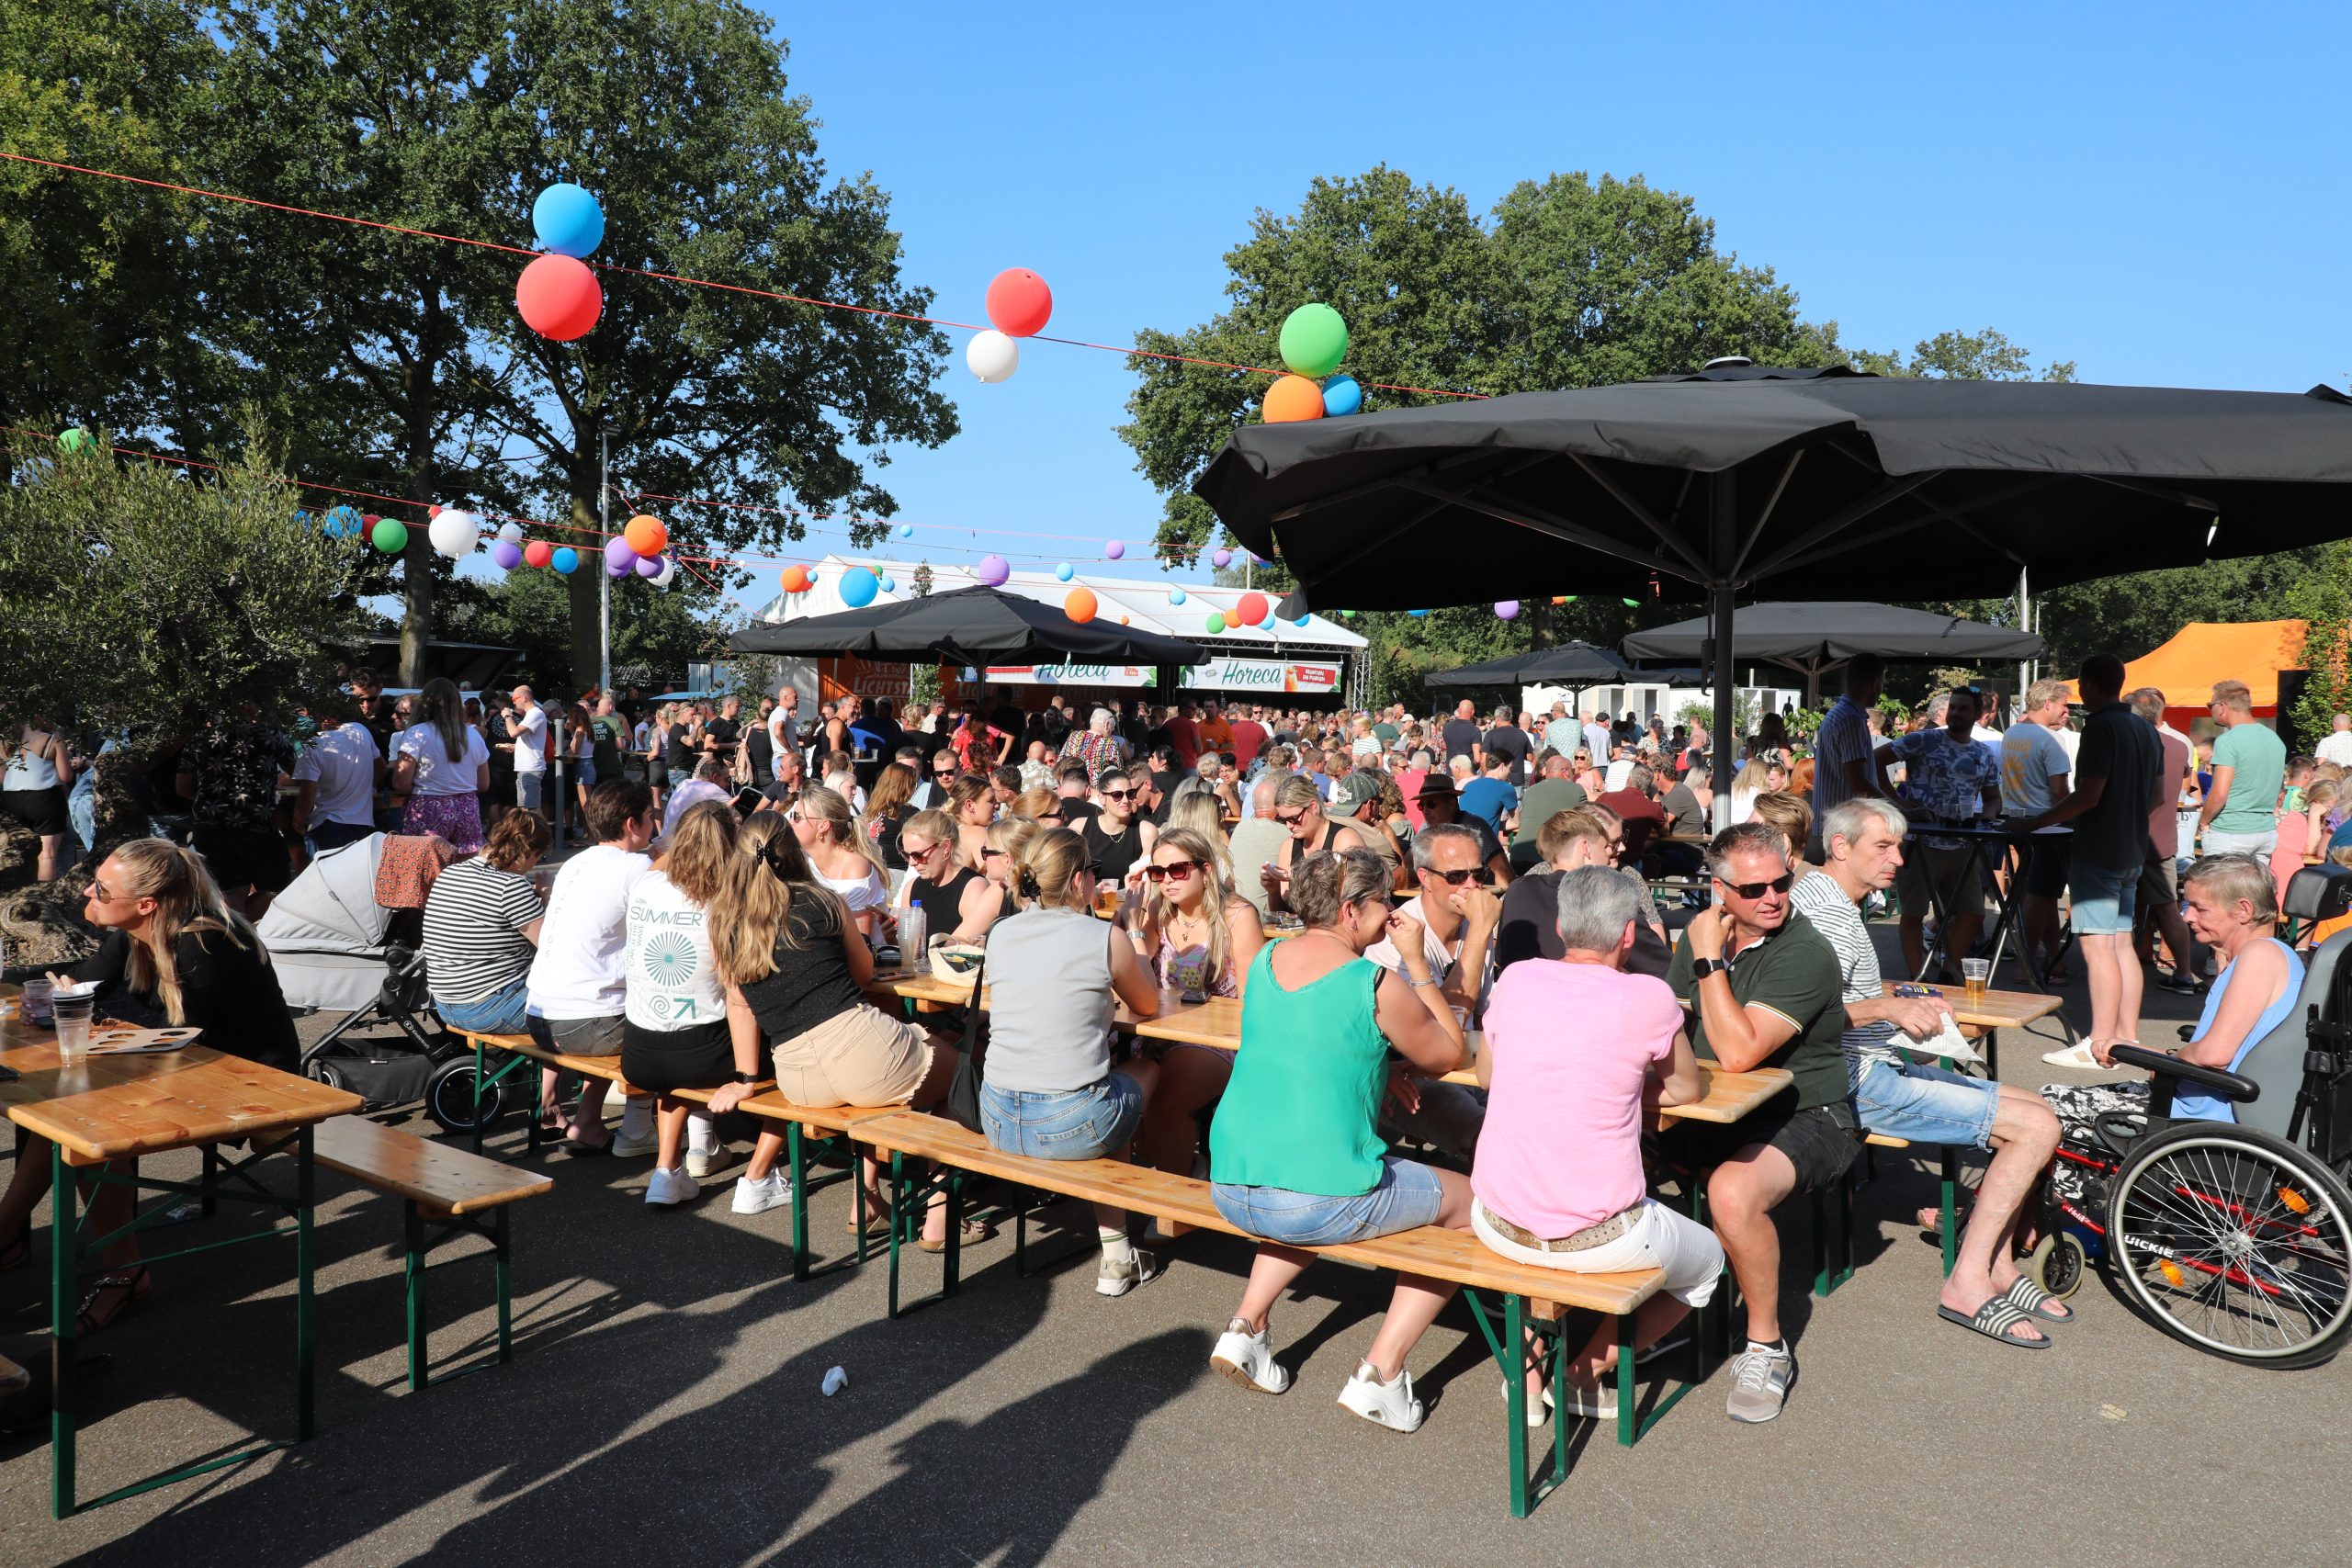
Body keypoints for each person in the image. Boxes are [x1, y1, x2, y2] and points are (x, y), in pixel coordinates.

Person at [1204, 849, 1473, 1432]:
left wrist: (1380, 1066)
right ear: (1351, 910)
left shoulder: (1267, 957)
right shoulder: (1372, 982)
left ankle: (1247, 1327)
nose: (1393, 911)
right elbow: (1450, 1053)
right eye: (1384, 901)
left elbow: (1307, 1044)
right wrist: (1416, 964)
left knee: (1310, 1184)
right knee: (1472, 1203)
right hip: (1315, 1199)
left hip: (1230, 1183)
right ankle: (1382, 1372)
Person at [1793, 799, 2070, 1346]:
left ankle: (1997, 1265)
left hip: (1874, 1064)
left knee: (2041, 1110)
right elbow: (1798, 1016)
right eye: (1883, 846)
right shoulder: (1825, 915)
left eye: (1899, 847)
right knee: (2036, 1127)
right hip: (1852, 1081)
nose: (1898, 859)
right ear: (1840, 847)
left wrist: (1900, 1007)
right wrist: (1889, 1009)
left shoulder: (1835, 901)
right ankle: (1966, 1283)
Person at [0, 840, 299, 1329]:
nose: (87, 894)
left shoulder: (206, 942)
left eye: (101, 890)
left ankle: (101, 1267)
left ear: (146, 904)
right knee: (64, 1109)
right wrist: (67, 1000)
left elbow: (173, 1038)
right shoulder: (134, 935)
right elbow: (77, 984)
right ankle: (27, 1241)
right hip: (189, 1068)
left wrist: (88, 1012)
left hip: (254, 1085)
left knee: (87, 1121)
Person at [1474, 865, 1717, 1416]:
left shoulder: (1516, 980)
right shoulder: (1649, 996)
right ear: (1629, 934)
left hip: (1497, 1223)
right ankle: (1581, 1375)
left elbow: (1488, 1076)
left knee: (1537, 1215)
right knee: (1707, 1263)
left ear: (1561, 927)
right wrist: (1619, 1082)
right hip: (1598, 1239)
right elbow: (1685, 1088)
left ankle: (1527, 1375)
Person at [1662, 822, 1851, 1423]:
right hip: (1713, 1110)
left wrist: (1705, 960)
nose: (1772, 897)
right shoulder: (1706, 936)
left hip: (1807, 1113)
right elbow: (1668, 1020)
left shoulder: (1804, 951)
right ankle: (1615, 1313)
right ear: (1720, 890)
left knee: (1731, 1192)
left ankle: (1766, 1345)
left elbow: (1740, 1052)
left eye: (1781, 883)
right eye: (1753, 889)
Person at [711, 816, 962, 1236]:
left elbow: (739, 1005)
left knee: (871, 1098)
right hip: (862, 1049)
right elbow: (864, 976)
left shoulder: (724, 919)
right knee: (962, 1071)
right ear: (794, 852)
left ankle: (867, 1197)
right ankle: (940, 1212)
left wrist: (745, 1080)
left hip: (798, 1076)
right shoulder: (823, 901)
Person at [2043, 855, 2305, 1197]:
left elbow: (2214, 1055)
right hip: (2213, 1097)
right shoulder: (2277, 956)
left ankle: (2056, 1211)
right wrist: (2152, 1055)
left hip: (2206, 1114)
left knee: (2048, 1105)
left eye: (2199, 908)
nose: (2186, 916)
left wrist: (2158, 1058)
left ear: (2243, 910)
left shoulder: (2259, 956)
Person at [978, 829, 1166, 1292]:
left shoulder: (1001, 932)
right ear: (1080, 880)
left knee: (1104, 1091)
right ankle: (1123, 1247)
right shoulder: (1105, 937)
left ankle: (1118, 1255)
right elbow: (1147, 1005)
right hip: (1069, 1123)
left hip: (997, 1116)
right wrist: (1135, 930)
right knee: (1143, 1071)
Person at [2021, 654, 2160, 1056]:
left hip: (2099, 849)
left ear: (2088, 684)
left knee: (2098, 949)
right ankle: (2126, 1038)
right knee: (2121, 944)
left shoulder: (2100, 726)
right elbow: (2157, 796)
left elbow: (2088, 795)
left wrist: (2035, 823)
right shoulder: (2145, 728)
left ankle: (2099, 1043)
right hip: (2133, 848)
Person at [1125, 826, 1265, 1187]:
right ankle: (1188, 1168)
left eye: (1178, 869)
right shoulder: (1158, 910)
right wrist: (1131, 916)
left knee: (1163, 1103)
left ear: (1206, 870)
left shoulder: (1237, 916)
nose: (1168, 880)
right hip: (1161, 1032)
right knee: (1125, 1103)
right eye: (1158, 872)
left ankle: (1175, 1200)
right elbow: (1131, 967)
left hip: (1218, 1039)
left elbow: (1253, 999)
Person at [525, 781, 659, 1155]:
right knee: (661, 1024)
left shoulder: (575, 862)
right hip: (585, 1024)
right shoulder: (637, 866)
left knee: (604, 1002)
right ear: (632, 824)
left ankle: (581, 1118)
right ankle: (631, 1127)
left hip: (539, 1017)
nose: (654, 824)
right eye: (650, 817)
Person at [622, 801, 740, 1204]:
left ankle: (666, 1171)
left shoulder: (647, 884)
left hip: (640, 1048)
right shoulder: (727, 901)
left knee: (678, 1057)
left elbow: (665, 862)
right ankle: (759, 1171)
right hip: (702, 1053)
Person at [1875, 687, 2002, 979]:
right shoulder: (1924, 739)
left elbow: (1994, 798)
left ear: (1977, 714)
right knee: (1914, 913)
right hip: (1920, 842)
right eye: (1953, 707)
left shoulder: (1983, 753)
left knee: (1973, 914)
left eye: (1963, 708)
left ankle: (1948, 970)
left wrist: (1988, 815)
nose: (1956, 713)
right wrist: (1898, 803)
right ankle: (1917, 977)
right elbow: (1876, 759)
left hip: (1963, 844)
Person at [1496, 806, 1672, 978]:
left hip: (1521, 992)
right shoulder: (1608, 893)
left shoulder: (1518, 889)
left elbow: (1502, 955)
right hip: (1597, 993)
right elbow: (1662, 968)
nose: (1613, 853)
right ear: (1585, 848)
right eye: (1606, 846)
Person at [421, 808, 550, 1036]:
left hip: (446, 1004)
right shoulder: (511, 886)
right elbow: (550, 947)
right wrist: (547, 896)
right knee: (588, 1006)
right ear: (530, 852)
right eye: (538, 858)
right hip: (490, 1005)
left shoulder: (451, 873)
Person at [176, 704, 299, 922]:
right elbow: (298, 772)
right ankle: (243, 929)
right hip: (257, 825)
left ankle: (235, 932)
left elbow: (182, 788)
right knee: (278, 889)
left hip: (211, 825)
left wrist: (215, 799)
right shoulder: (269, 735)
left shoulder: (200, 739)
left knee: (230, 892)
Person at [2001, 679, 2076, 982]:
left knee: (2043, 895)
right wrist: (2076, 813)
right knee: (2041, 894)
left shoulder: (2012, 732)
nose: (2067, 711)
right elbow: (2059, 791)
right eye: (2064, 705)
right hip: (2047, 826)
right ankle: (2027, 963)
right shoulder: (2050, 739)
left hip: (2017, 821)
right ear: (2048, 704)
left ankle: (2053, 959)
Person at [387, 678, 492, 853]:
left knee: (424, 862)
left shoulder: (417, 733)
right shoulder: (474, 735)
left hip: (427, 806)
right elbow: (483, 784)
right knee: (465, 863)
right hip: (467, 807)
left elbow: (401, 783)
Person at [1260, 774, 1379, 913]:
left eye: (1293, 819)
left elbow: (1354, 898)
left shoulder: (1345, 839)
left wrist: (1299, 875)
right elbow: (1282, 913)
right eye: (1282, 820)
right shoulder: (1289, 846)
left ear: (1313, 807)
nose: (1288, 826)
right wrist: (1273, 891)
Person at [1809, 655, 1887, 857]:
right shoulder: (1851, 719)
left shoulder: (1837, 714)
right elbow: (1858, 783)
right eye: (1882, 683)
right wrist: (1895, 811)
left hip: (1834, 827)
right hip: (1845, 830)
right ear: (1874, 683)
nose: (1881, 689)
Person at [2199, 678, 2288, 858]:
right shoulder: (2274, 739)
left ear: (2222, 707)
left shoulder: (2227, 741)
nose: (2210, 711)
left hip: (2231, 831)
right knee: (2257, 878)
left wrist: (2203, 821)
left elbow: (2219, 794)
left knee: (2221, 878)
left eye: (2210, 706)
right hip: (2265, 830)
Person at [795, 784, 891, 941]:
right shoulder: (803, 859)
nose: (790, 822)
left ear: (823, 826)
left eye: (797, 817)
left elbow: (861, 939)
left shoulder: (855, 868)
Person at [291, 694, 383, 855]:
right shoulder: (360, 731)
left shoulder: (313, 745)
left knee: (323, 871)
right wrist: (364, 788)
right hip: (361, 823)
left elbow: (307, 794)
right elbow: (381, 767)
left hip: (326, 824)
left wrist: (297, 822)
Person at [895, 807, 1001, 942]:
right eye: (907, 855)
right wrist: (891, 937)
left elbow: (972, 947)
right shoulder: (911, 888)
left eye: (918, 855)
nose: (912, 862)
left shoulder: (972, 888)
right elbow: (910, 948)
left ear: (945, 847)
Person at [2, 718, 77, 882]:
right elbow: (66, 776)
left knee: (20, 853)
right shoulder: (52, 740)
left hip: (12, 801)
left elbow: (2, 778)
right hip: (45, 800)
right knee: (47, 854)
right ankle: (44, 894)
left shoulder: (4, 743)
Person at [1509, 751, 1588, 874]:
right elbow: (1586, 823)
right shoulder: (1576, 790)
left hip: (1518, 854)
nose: (1574, 774)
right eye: (1573, 770)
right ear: (1566, 771)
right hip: (1547, 859)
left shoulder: (1530, 791)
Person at [1080, 767, 1158, 885]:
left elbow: (1146, 882)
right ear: (1102, 798)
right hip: (1088, 895)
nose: (1126, 800)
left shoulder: (1146, 832)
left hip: (1129, 895)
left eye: (1130, 794)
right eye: (1117, 795)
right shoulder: (1080, 828)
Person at [1598, 763, 1669, 867]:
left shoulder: (1606, 798)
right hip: (1631, 863)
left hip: (1603, 859)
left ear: (1629, 780)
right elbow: (1664, 831)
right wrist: (1657, 800)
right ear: (1649, 787)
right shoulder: (1653, 807)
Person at [507, 685, 549, 814]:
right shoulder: (530, 714)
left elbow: (514, 732)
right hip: (524, 768)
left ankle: (541, 828)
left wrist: (507, 716)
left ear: (524, 698)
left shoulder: (535, 713)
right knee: (525, 809)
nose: (514, 702)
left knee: (532, 809)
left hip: (531, 767)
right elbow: (532, 739)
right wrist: (515, 747)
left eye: (514, 699)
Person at [1059, 707, 1127, 785]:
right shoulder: (1111, 743)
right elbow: (1118, 773)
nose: (1112, 731)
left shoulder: (1074, 735)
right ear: (1106, 724)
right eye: (1112, 727)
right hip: (1093, 789)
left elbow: (1060, 760)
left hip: (1069, 784)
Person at [1458, 750, 1516, 840]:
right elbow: (1515, 822)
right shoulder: (1505, 788)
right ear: (1502, 766)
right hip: (1485, 842)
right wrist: (1495, 824)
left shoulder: (1468, 786)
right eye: (1510, 768)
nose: (1510, 772)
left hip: (1463, 839)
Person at [1482, 706, 1532, 787]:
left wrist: (1488, 779)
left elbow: (1483, 761)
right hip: (1517, 782)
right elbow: (1531, 757)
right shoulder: (1521, 734)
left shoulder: (1491, 735)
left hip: (1496, 782)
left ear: (1497, 719)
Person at [765, 682, 800, 782]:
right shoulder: (782, 712)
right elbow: (777, 731)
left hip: (782, 760)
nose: (797, 699)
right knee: (789, 790)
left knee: (785, 790)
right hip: (785, 760)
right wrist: (790, 752)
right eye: (795, 697)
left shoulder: (779, 713)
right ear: (785, 698)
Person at [1440, 700, 1484, 767]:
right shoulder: (1475, 731)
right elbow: (1477, 759)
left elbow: (1444, 746)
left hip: (1450, 769)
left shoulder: (1446, 726)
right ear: (1472, 711)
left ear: (1459, 711)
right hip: (1467, 770)